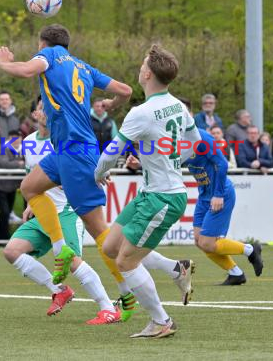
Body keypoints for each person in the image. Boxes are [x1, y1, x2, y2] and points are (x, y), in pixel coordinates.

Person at [0, 24, 133, 290]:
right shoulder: (83, 66)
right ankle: (62, 248)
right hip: (67, 151)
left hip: (77, 151)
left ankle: (135, 285)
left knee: (101, 232)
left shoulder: (48, 56)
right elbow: (125, 91)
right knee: (29, 188)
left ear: (41, 43)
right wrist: (111, 105)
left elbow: (24, 70)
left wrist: (3, 63)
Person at [95, 44, 200, 338]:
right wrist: (171, 161)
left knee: (125, 261)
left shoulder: (142, 112)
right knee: (110, 247)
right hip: (152, 193)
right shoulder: (178, 105)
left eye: (142, 65)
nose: (140, 68)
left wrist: (99, 174)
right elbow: (196, 141)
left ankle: (161, 321)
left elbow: (110, 153)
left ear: (148, 73)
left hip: (162, 198)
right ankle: (177, 270)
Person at [3, 108, 121, 324]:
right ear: (35, 114)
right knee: (12, 251)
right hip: (43, 213)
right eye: (41, 108)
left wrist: (101, 169)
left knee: (72, 262)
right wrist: (31, 201)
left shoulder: (64, 138)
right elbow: (31, 176)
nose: (45, 111)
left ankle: (108, 307)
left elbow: (86, 158)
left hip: (67, 209)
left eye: (49, 108)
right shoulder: (28, 141)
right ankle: (59, 290)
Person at [182, 128, 264, 286]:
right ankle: (236, 273)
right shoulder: (174, 138)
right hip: (204, 194)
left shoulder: (201, 137)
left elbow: (221, 163)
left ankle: (250, 249)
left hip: (220, 193)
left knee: (207, 243)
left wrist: (218, 194)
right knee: (199, 241)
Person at [0, 130, 25, 241]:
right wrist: (18, 163)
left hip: (12, 187)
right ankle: (1, 238)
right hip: (1, 186)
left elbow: (29, 162)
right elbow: (3, 163)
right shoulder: (4, 147)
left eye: (18, 138)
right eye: (13, 138)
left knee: (6, 213)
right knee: (5, 212)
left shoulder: (23, 148)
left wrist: (20, 164)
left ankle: (2, 238)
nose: (16, 141)